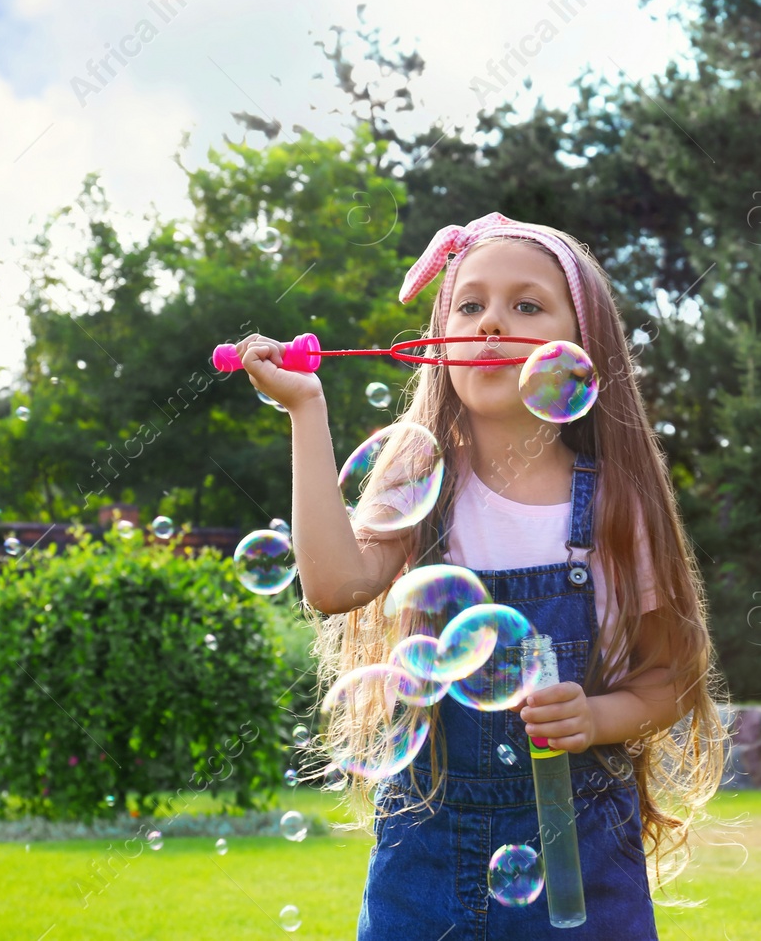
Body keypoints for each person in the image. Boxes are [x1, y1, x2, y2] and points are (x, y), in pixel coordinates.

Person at [235, 211, 727, 941]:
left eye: (526, 305)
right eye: (470, 305)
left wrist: (596, 718)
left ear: (581, 344)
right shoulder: (415, 470)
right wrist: (306, 409)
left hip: (580, 849)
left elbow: (670, 679)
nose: (492, 323)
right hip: (426, 845)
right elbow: (334, 586)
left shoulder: (616, 501)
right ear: (440, 340)